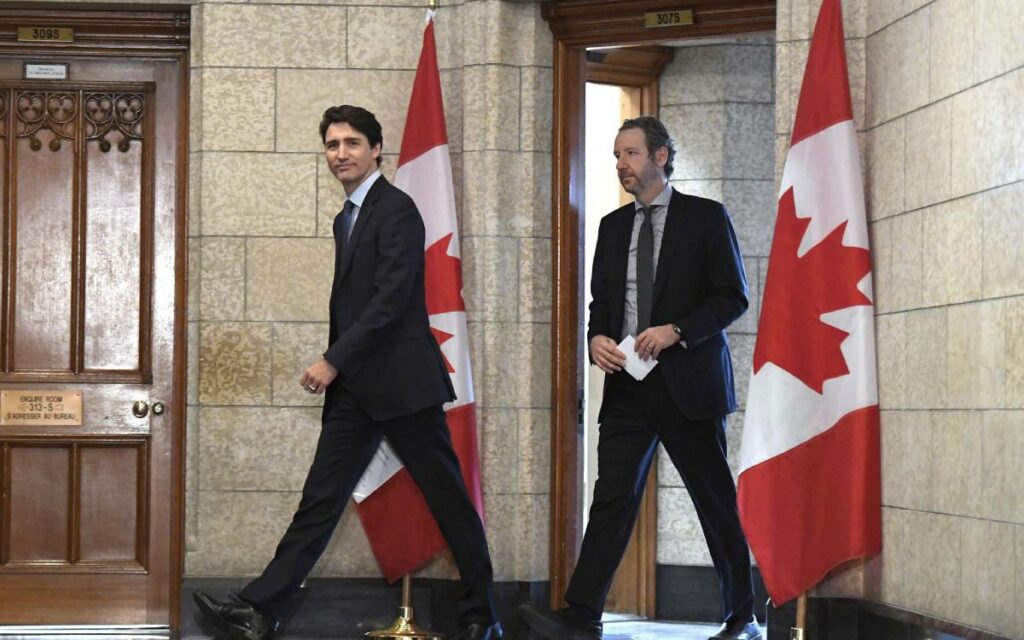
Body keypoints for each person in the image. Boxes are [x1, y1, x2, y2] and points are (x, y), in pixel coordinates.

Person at [193, 105, 502, 640]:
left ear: (376, 149)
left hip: (404, 385)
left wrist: (332, 359)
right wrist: (343, 365)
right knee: (320, 500)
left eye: (352, 143)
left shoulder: (397, 209)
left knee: (448, 500)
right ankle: (258, 611)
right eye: (333, 145)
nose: (341, 154)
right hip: (358, 390)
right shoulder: (347, 216)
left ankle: (482, 616)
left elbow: (389, 302)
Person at [519, 116, 760, 640]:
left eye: (630, 154)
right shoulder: (610, 226)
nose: (621, 165)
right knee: (611, 498)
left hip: (689, 384)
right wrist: (595, 339)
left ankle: (742, 616)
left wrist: (678, 330)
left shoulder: (705, 218)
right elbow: (601, 305)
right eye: (616, 156)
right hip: (629, 386)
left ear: (660, 156)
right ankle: (581, 615)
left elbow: (732, 297)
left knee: (712, 498)